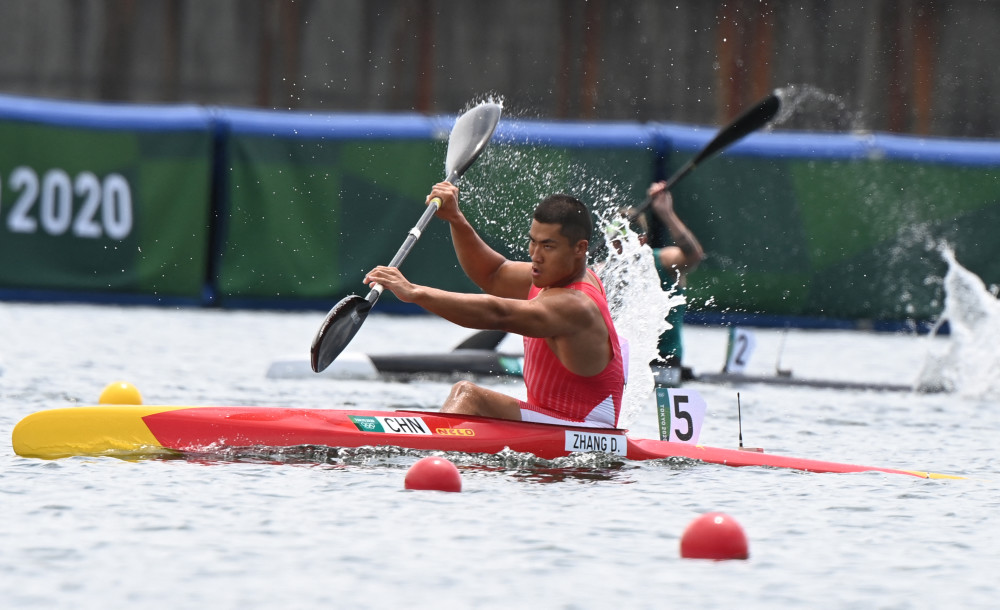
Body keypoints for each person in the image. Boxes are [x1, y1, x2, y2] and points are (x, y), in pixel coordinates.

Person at [363, 182, 625, 428]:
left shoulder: (575, 304)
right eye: (533, 241)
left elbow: (497, 313)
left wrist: (415, 292)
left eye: (548, 246)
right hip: (554, 421)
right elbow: (494, 273)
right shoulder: (551, 276)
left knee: (468, 395)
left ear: (580, 248)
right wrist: (456, 218)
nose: (535, 255)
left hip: (586, 430)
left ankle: (428, 456)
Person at [642, 181, 704, 371]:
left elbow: (694, 255)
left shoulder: (664, 261)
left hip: (666, 362)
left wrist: (666, 214)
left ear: (641, 239)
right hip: (627, 363)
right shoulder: (604, 271)